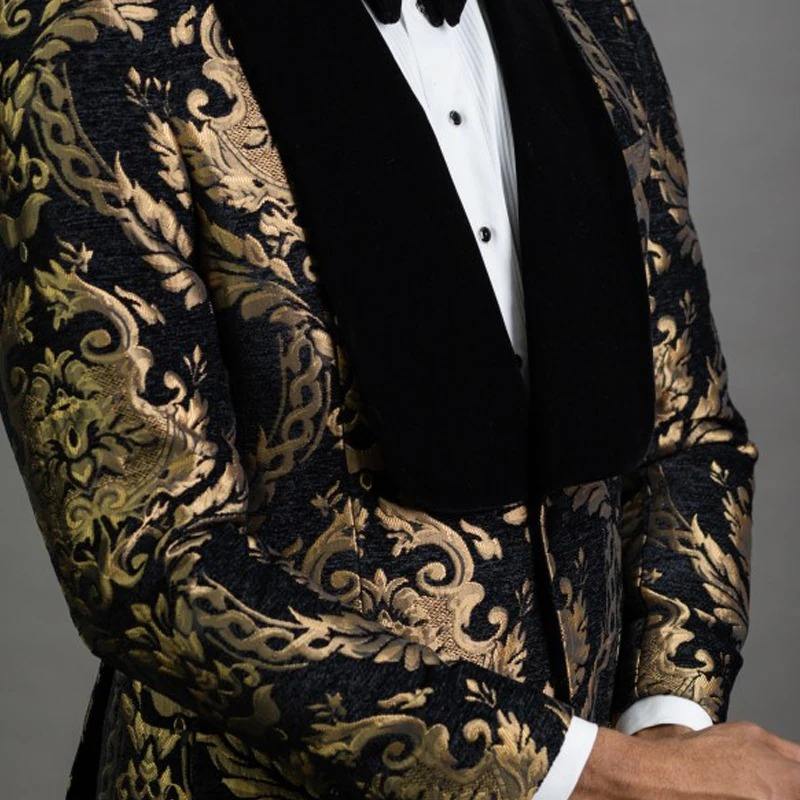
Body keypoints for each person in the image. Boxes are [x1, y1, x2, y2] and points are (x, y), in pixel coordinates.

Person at [0, 0, 796, 797]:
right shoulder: (100, 37)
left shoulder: (591, 17)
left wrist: (669, 728)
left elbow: (687, 431)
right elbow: (146, 553)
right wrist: (594, 774)